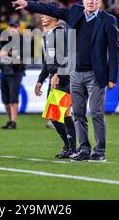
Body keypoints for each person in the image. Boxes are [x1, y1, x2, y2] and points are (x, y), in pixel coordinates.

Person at [12, 0, 119, 162]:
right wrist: (27, 4)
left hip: (96, 75)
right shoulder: (76, 12)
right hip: (75, 73)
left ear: (100, 1)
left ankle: (99, 151)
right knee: (77, 113)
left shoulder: (109, 21)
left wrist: (112, 76)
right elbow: (52, 9)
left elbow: (114, 51)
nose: (90, 1)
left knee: (97, 113)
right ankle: (84, 150)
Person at [35, 14, 76, 158]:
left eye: (45, 15)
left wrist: (58, 73)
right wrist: (41, 79)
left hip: (64, 78)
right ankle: (70, 147)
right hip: (54, 78)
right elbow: (48, 62)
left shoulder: (60, 33)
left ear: (53, 18)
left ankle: (72, 147)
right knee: (57, 115)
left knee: (61, 114)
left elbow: (67, 55)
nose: (41, 18)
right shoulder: (47, 35)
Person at [0, 20, 25, 129]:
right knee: (5, 99)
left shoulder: (23, 40)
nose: (12, 29)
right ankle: (9, 120)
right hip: (5, 71)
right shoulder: (5, 40)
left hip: (15, 72)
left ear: (19, 28)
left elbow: (21, 57)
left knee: (13, 97)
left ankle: (13, 121)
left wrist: (6, 52)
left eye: (14, 27)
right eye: (11, 27)